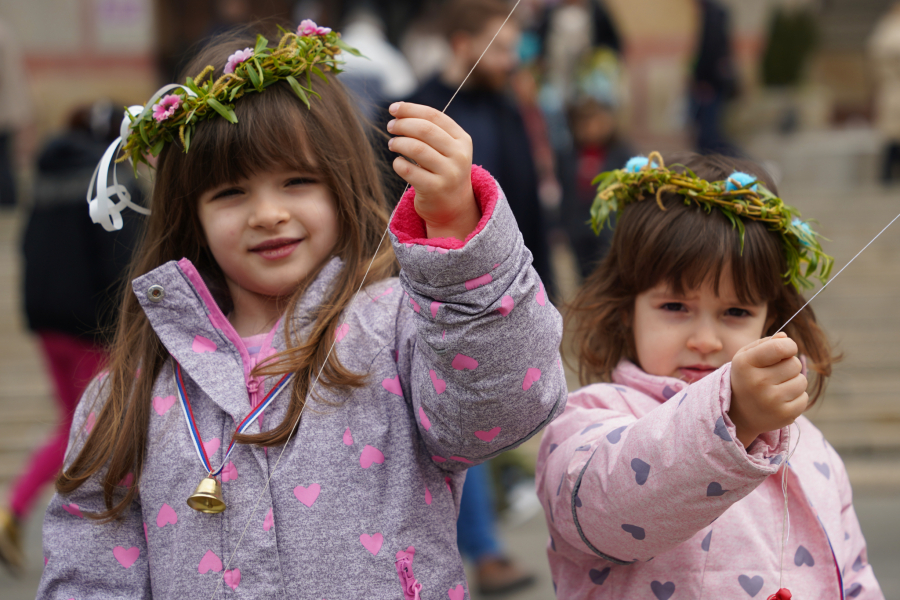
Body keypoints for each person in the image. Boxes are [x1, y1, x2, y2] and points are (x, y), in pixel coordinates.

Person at [37, 24, 565, 598]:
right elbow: (88, 572)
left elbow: (502, 409)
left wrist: (461, 247)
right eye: (231, 193)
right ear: (191, 215)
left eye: (296, 181)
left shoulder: (402, 326)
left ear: (340, 187)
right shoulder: (130, 390)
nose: (267, 213)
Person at [536, 153, 884, 599]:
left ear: (771, 321)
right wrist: (730, 416)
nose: (705, 339)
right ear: (627, 309)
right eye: (675, 307)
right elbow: (606, 508)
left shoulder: (812, 449)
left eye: (736, 312)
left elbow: (853, 576)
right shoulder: (589, 420)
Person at [0, 102, 143, 576]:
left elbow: (29, 247)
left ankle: (17, 508)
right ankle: (94, 525)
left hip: (48, 324)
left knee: (77, 423)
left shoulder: (45, 175)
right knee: (96, 426)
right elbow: (122, 260)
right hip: (91, 328)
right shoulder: (110, 182)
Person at [391, 0, 555, 296]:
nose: (511, 61)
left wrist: (544, 288)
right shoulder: (417, 113)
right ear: (462, 44)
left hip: (510, 286)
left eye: (513, 49)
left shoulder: (509, 112)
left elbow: (529, 210)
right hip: (438, 291)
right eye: (500, 49)